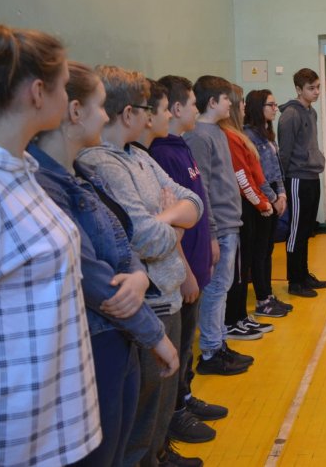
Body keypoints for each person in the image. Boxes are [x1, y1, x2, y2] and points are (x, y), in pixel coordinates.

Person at [0, 16, 100, 465]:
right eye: (63, 86)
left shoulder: (19, 172)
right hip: (3, 434)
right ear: (37, 93)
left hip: (52, 424)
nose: (67, 98)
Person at [29, 62, 181, 466]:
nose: (104, 115)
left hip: (118, 336)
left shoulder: (82, 175)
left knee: (118, 444)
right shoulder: (45, 184)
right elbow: (93, 275)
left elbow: (121, 237)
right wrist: (153, 333)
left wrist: (138, 274)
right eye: (99, 106)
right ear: (75, 112)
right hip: (96, 337)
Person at [76, 66, 204, 466]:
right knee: (142, 415)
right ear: (130, 114)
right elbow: (144, 239)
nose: (153, 117)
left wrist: (165, 219)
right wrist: (175, 227)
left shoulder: (141, 157)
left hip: (168, 291)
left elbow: (193, 202)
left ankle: (160, 454)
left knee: (159, 407)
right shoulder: (102, 164)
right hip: (150, 301)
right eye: (149, 109)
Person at [149, 75, 231, 444]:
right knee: (179, 344)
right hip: (182, 270)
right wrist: (185, 271)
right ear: (177, 108)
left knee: (185, 345)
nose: (196, 110)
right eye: (192, 104)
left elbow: (197, 200)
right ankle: (175, 413)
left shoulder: (180, 145)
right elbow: (170, 218)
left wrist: (210, 237)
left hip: (195, 261)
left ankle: (184, 397)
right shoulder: (162, 154)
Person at [183, 75, 253, 376]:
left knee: (223, 287)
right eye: (226, 99)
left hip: (229, 221)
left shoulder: (218, 132)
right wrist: (211, 231)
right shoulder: (199, 136)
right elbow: (203, 189)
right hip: (219, 225)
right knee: (215, 289)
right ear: (212, 102)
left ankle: (219, 342)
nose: (231, 105)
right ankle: (211, 351)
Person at [220, 84, 277, 339]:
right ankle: (233, 319)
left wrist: (267, 199)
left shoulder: (237, 135)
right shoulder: (230, 136)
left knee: (244, 266)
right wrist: (263, 203)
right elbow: (242, 176)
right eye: (240, 101)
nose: (243, 106)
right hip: (240, 207)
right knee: (238, 268)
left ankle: (240, 315)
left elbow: (257, 172)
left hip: (251, 204)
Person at [278, 68, 326, 298]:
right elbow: (285, 153)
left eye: (318, 87)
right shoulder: (290, 115)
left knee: (307, 228)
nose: (316, 92)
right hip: (297, 178)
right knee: (296, 230)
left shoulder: (312, 112)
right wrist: (281, 185)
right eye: (311, 88)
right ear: (299, 89)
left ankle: (304, 274)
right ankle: (295, 280)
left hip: (311, 176)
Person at [244, 89, 291, 318]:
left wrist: (281, 194)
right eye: (270, 105)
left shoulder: (267, 134)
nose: (275, 109)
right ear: (257, 107)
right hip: (261, 198)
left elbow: (276, 169)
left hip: (273, 193)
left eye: (275, 104)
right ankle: (262, 300)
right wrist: (272, 198)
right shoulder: (249, 136)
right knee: (260, 250)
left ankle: (268, 295)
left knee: (269, 249)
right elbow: (256, 175)